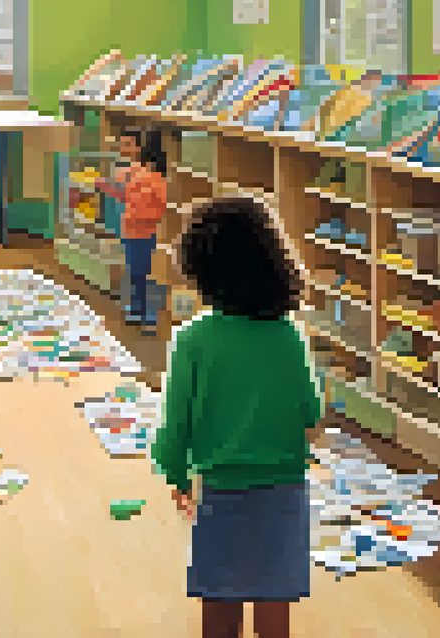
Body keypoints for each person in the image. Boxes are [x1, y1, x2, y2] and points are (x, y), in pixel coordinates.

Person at [150, 196, 323, 638]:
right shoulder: (288, 336)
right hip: (284, 488)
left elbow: (175, 426)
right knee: (273, 599)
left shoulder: (194, 339)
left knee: (220, 599)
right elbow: (310, 411)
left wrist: (176, 474)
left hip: (221, 487)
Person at [99, 126, 168, 335]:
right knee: (136, 272)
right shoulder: (142, 173)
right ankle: (138, 310)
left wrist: (107, 185)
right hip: (133, 230)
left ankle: (148, 316)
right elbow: (123, 192)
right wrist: (104, 184)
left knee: (143, 273)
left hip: (142, 232)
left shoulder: (149, 176)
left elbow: (132, 196)